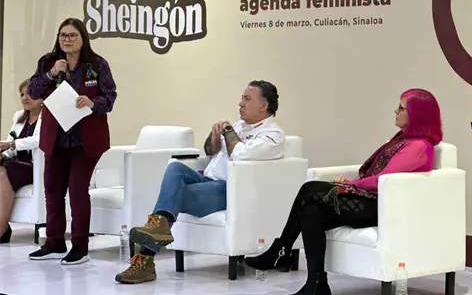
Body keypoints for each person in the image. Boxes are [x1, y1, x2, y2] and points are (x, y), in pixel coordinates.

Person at [244, 88, 443, 295]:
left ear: (416, 115)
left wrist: (351, 185)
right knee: (312, 211)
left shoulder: (418, 146)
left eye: (401, 108)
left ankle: (280, 251)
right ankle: (316, 284)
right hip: (369, 199)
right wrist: (352, 185)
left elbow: (384, 180)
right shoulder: (403, 139)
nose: (396, 111)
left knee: (309, 189)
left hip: (381, 206)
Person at [116, 80, 285, 284]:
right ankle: (158, 228)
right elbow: (210, 151)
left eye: (247, 99)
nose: (240, 103)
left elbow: (240, 154)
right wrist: (214, 138)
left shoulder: (272, 135)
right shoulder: (239, 126)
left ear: (263, 105)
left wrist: (228, 131)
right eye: (242, 98)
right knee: (175, 168)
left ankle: (145, 259)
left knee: (172, 197)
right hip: (207, 180)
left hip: (230, 190)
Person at [27, 17, 117, 265]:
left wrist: (92, 102)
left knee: (77, 191)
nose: (66, 40)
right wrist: (51, 73)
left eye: (72, 35)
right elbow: (34, 91)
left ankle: (80, 246)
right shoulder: (48, 62)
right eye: (62, 35)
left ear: (82, 38)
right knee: (53, 190)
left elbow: (110, 97)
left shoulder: (96, 65)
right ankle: (54, 242)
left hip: (85, 140)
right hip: (56, 138)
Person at [0, 78, 44, 243]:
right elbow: (10, 145)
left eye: (30, 93)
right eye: (22, 94)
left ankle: (2, 229)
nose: (25, 97)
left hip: (36, 167)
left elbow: (40, 140)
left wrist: (12, 144)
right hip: (17, 163)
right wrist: (4, 153)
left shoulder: (48, 117)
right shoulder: (19, 117)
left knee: (3, 172)